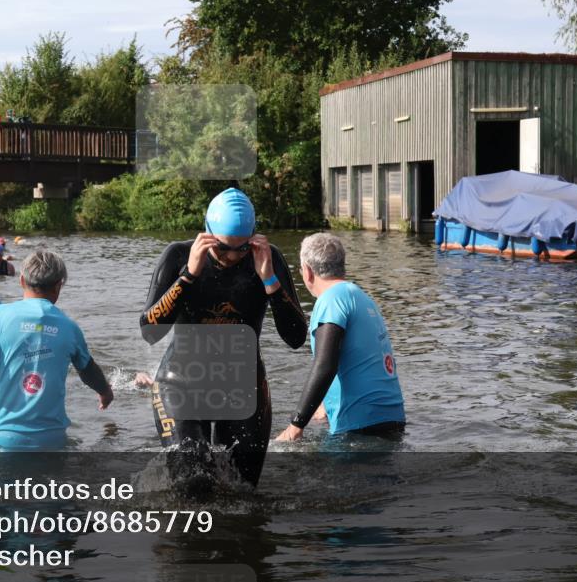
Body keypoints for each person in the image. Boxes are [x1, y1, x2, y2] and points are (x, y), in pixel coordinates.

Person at [140, 188, 307, 486]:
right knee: (191, 482)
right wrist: (188, 276)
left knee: (243, 493)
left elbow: (296, 337)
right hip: (181, 382)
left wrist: (269, 280)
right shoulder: (178, 255)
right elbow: (150, 330)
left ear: (253, 237)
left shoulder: (268, 258)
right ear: (206, 234)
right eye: (222, 248)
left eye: (241, 249)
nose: (232, 256)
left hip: (243, 385)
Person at [0, 249, 113, 450]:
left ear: (22, 281)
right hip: (50, 443)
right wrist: (105, 392)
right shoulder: (70, 327)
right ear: (59, 286)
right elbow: (88, 371)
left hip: (0, 440)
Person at [275, 234, 405, 443]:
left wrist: (296, 424)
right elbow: (359, 357)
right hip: (392, 419)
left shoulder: (331, 300)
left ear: (307, 271)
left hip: (359, 427)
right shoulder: (361, 296)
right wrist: (325, 403)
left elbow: (325, 365)